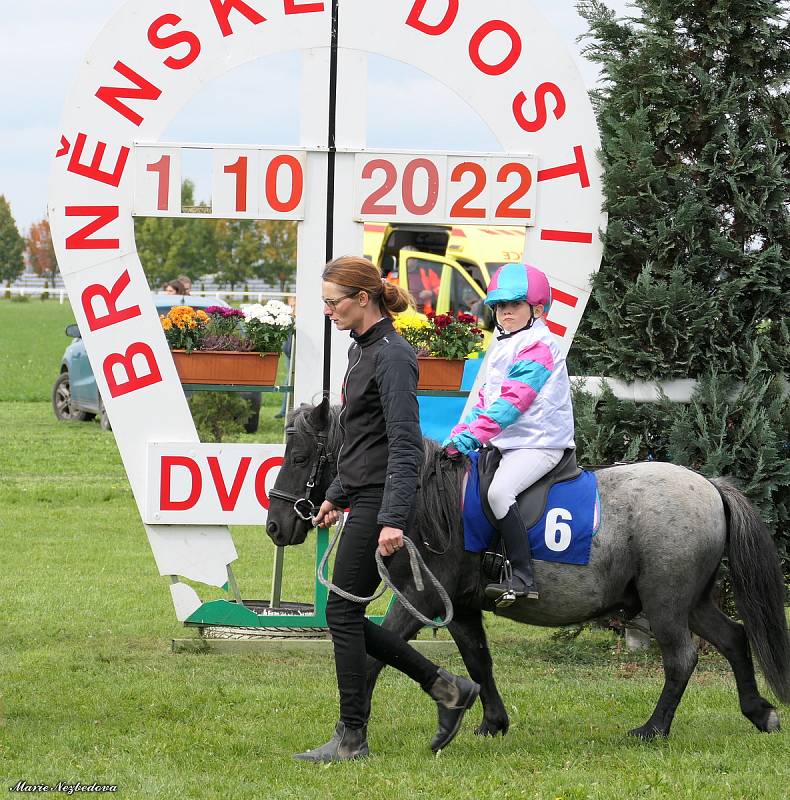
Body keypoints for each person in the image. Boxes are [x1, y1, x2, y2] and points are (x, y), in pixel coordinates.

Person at [295, 255, 480, 763]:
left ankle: (352, 736)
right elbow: (364, 441)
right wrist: (337, 494)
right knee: (345, 612)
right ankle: (448, 689)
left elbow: (402, 445)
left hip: (386, 502)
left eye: (333, 303)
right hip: (366, 495)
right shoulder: (361, 351)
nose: (328, 311)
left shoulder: (394, 356)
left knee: (341, 611)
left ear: (362, 298)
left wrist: (394, 518)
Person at [443, 263, 575, 607]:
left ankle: (523, 576)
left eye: (514, 305)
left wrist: (471, 439)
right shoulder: (504, 344)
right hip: (511, 443)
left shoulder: (540, 345)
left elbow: (512, 403)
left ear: (538, 310)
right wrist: (458, 435)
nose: (505, 313)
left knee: (500, 493)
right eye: (500, 307)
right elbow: (486, 401)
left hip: (541, 444)